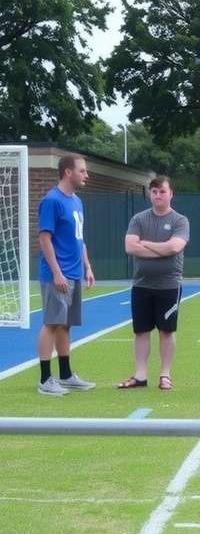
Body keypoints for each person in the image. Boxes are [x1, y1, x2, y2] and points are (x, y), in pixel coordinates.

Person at [117, 176, 190, 391]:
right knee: (141, 331)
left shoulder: (180, 221)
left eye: (162, 192)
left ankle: (165, 375)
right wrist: (161, 248)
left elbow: (175, 248)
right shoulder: (138, 219)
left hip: (169, 285)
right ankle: (140, 376)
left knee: (166, 331)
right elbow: (130, 247)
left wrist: (146, 244)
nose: (157, 195)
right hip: (141, 284)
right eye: (154, 191)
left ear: (171, 194)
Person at [36, 154, 96, 396]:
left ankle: (66, 374)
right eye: (82, 171)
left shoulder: (77, 201)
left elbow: (79, 240)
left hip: (74, 273)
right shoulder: (52, 201)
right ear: (68, 172)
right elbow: (44, 239)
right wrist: (57, 273)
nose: (86, 175)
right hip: (57, 275)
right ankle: (44, 379)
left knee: (66, 325)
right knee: (52, 323)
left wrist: (88, 267)